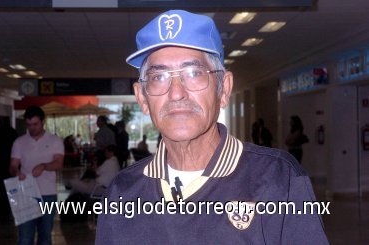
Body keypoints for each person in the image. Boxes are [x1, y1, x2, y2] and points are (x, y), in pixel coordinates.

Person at [96, 10, 328, 244]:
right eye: (159, 77)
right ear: (143, 98)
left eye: (194, 73)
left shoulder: (279, 178)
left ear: (224, 89)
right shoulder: (121, 193)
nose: (176, 93)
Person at [9, 105, 64, 245]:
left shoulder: (55, 141)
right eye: (28, 125)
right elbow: (13, 165)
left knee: (45, 237)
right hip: (25, 192)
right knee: (25, 237)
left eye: (35, 124)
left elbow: (59, 163)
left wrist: (44, 166)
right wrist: (16, 172)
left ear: (42, 122)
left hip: (48, 193)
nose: (32, 128)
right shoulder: (19, 142)